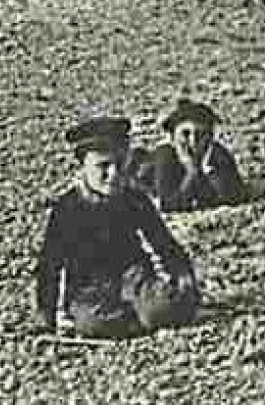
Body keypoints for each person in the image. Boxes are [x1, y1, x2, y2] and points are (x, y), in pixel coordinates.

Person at [34, 116, 200, 340]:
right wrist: (47, 313)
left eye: (120, 165)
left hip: (133, 277)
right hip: (89, 288)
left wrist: (183, 276)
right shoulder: (67, 209)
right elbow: (50, 264)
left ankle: (142, 316)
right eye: (103, 166)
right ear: (83, 167)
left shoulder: (133, 199)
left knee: (163, 308)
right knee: (91, 323)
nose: (113, 174)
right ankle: (135, 320)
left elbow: (163, 242)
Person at [142, 98, 247, 213]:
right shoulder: (165, 157)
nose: (193, 140)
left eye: (201, 134)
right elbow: (169, 204)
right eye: (185, 134)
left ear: (211, 136)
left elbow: (235, 195)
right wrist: (193, 171)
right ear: (172, 138)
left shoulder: (218, 154)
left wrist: (210, 170)